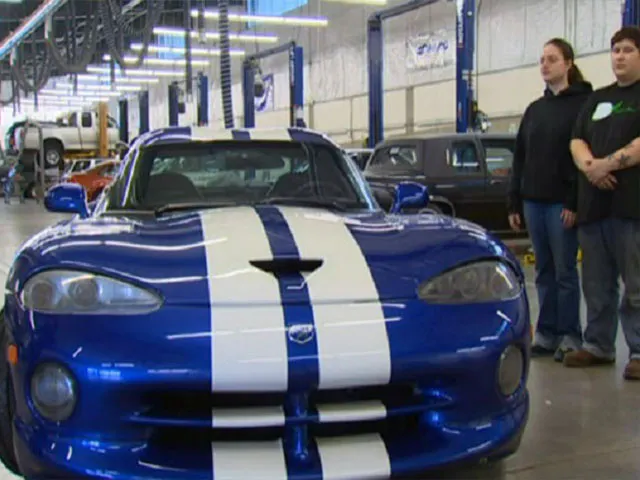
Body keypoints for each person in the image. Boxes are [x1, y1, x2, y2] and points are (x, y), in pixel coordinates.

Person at [507, 38, 593, 361]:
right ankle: (546, 332)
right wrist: (514, 201)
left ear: (568, 63)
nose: (545, 65)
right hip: (533, 202)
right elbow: (520, 157)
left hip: (561, 204)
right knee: (543, 270)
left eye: (552, 59)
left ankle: (570, 334)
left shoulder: (583, 105)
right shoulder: (535, 110)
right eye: (542, 59)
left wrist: (573, 201)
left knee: (565, 271)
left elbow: (582, 159)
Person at [564, 26, 640, 381]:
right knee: (596, 284)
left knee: (636, 285)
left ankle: (638, 350)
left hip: (631, 208)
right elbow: (576, 140)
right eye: (615, 50)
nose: (619, 56)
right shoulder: (597, 99)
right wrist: (591, 167)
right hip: (594, 208)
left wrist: (607, 164)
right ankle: (598, 345)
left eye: (627, 50)